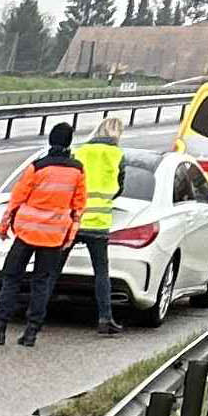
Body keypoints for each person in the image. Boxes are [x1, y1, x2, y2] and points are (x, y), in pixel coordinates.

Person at [0, 121, 87, 348]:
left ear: (50, 140)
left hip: (27, 233)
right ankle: (31, 333)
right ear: (69, 142)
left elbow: (17, 199)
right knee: (42, 284)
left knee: (11, 279)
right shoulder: (77, 170)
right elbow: (78, 206)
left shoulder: (37, 167)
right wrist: (69, 236)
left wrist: (3, 227)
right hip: (54, 237)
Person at [76, 114, 128, 334]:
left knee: (52, 270)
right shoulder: (118, 155)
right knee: (101, 273)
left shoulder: (80, 151)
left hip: (75, 219)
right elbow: (119, 187)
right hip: (99, 223)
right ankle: (105, 319)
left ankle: (36, 317)